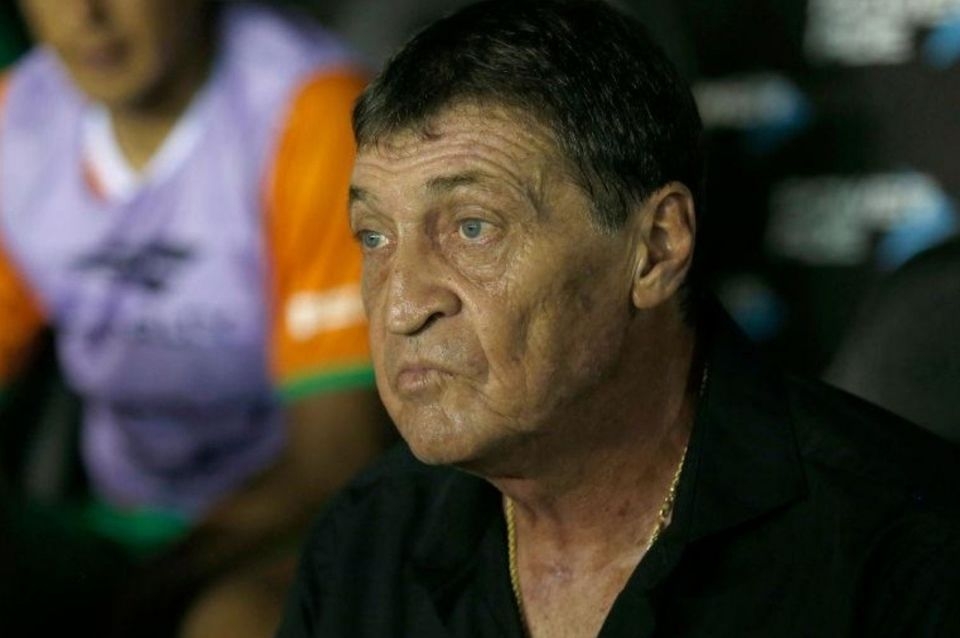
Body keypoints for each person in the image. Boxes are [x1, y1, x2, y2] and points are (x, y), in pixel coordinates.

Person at [277, 1, 960, 636]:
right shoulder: (365, 544)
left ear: (656, 248)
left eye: (473, 227)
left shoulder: (903, 555)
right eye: (374, 237)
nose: (401, 306)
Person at [0, 1, 389, 635]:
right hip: (111, 519)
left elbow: (337, 459)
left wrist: (136, 599)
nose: (85, 15)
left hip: (285, 531)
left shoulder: (310, 112)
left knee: (232, 624)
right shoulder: (15, 121)